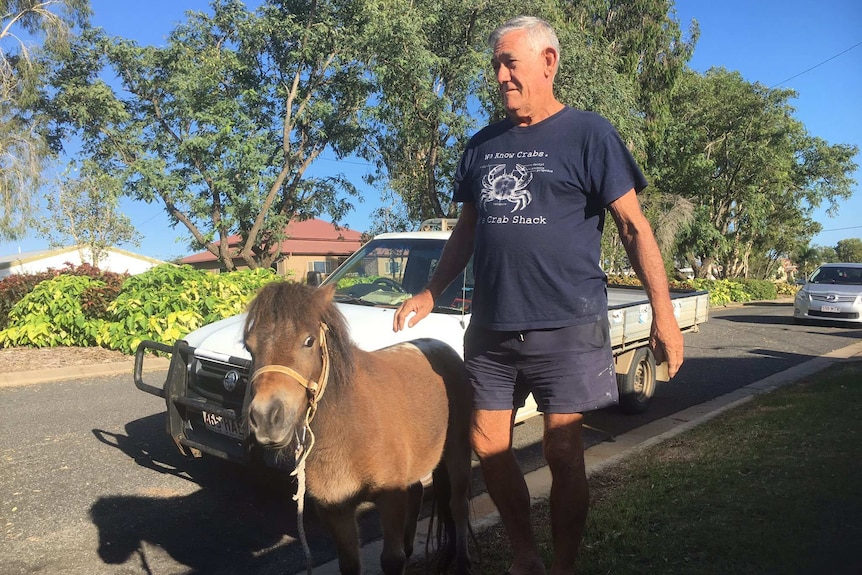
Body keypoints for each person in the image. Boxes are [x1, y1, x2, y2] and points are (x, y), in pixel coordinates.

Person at [393, 15, 684, 575]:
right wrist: (431, 291)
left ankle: (564, 565)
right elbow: (468, 230)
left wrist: (664, 315)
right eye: (496, 65)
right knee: (488, 446)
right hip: (493, 325)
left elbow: (633, 227)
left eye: (510, 63)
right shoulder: (482, 146)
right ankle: (526, 555)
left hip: (567, 323)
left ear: (548, 63)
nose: (500, 76)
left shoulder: (590, 135)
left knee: (562, 451)